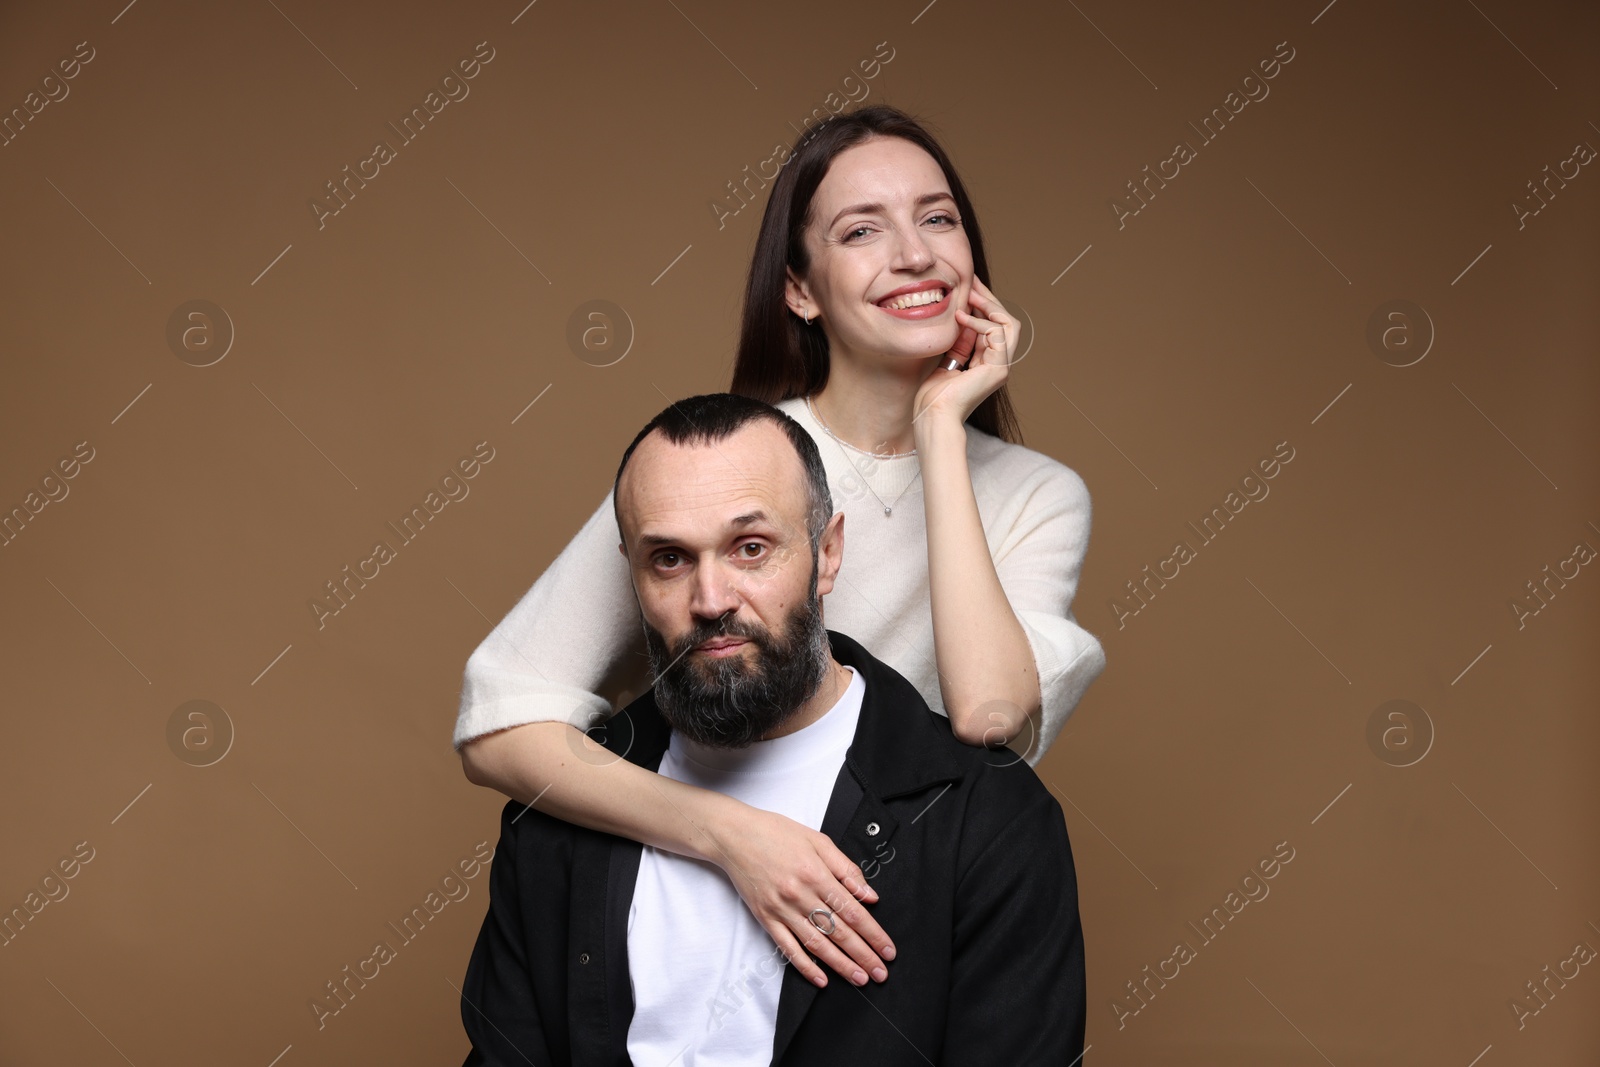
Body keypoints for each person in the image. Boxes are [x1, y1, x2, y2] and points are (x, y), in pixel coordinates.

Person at [455, 104, 1106, 986]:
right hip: (691, 893)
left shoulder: (1038, 496)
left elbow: (987, 719)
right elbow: (500, 726)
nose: (915, 254)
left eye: (938, 217)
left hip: (885, 910)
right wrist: (725, 834)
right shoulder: (728, 470)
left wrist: (941, 426)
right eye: (862, 229)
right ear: (799, 289)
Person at [457, 394, 1087, 1065]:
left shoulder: (985, 820)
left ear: (828, 553)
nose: (711, 599)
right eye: (668, 558)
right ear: (632, 571)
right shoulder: (556, 821)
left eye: (750, 548)